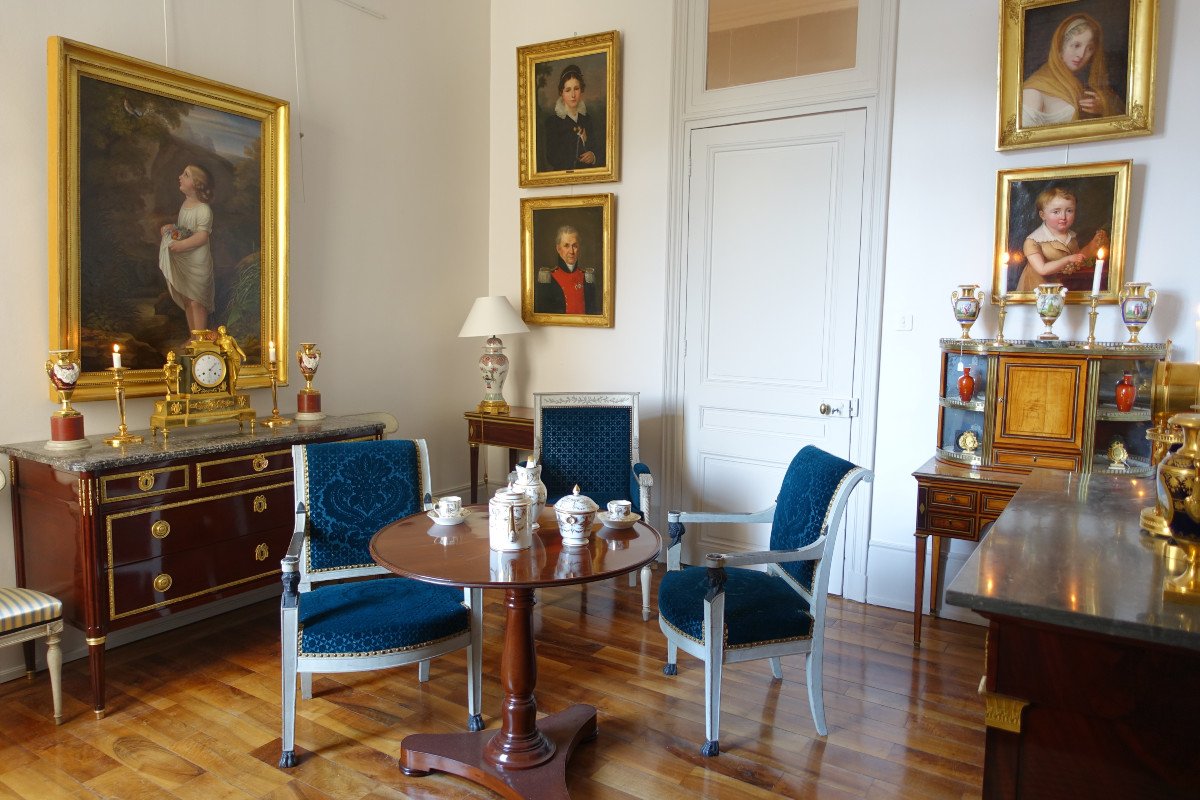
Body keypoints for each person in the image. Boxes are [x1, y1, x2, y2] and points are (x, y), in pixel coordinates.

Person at [1022, 13, 1123, 127]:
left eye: (1090, 48)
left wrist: (1102, 108)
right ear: (1060, 46)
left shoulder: (1078, 86)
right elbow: (1025, 140)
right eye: (1076, 45)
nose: (1081, 55)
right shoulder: (1033, 91)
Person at [1016, 186, 1108, 293]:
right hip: (1037, 291)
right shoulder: (1033, 241)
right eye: (1056, 212)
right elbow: (1042, 269)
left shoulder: (1071, 238)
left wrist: (1093, 245)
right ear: (1042, 215)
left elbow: (1077, 260)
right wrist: (1067, 260)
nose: (1063, 217)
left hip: (1060, 290)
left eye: (1069, 211)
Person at [159, 164, 215, 334]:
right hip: (185, 260)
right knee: (188, 299)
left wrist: (182, 245)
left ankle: (200, 339)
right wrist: (171, 227)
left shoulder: (203, 209)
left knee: (197, 301)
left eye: (186, 175)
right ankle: (194, 336)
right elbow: (184, 229)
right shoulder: (186, 204)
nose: (180, 177)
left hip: (197, 262)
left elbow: (201, 236)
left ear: (196, 183)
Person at [543, 64, 603, 171]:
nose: (573, 95)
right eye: (568, 90)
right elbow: (552, 157)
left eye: (576, 89)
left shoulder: (587, 119)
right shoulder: (553, 122)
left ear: (581, 90)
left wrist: (593, 156)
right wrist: (579, 140)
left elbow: (599, 150)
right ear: (561, 93)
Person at [534, 225, 601, 315]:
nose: (571, 251)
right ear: (558, 249)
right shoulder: (547, 279)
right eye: (566, 246)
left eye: (575, 246)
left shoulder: (587, 277)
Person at [215, 325, 245, 389]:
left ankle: (234, 386)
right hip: (228, 358)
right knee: (231, 375)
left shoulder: (230, 338)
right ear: (219, 331)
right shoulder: (218, 341)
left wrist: (243, 355)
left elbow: (236, 347)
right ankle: (232, 389)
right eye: (222, 329)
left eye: (224, 328)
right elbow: (217, 350)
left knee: (236, 373)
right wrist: (225, 350)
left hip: (235, 356)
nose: (224, 329)